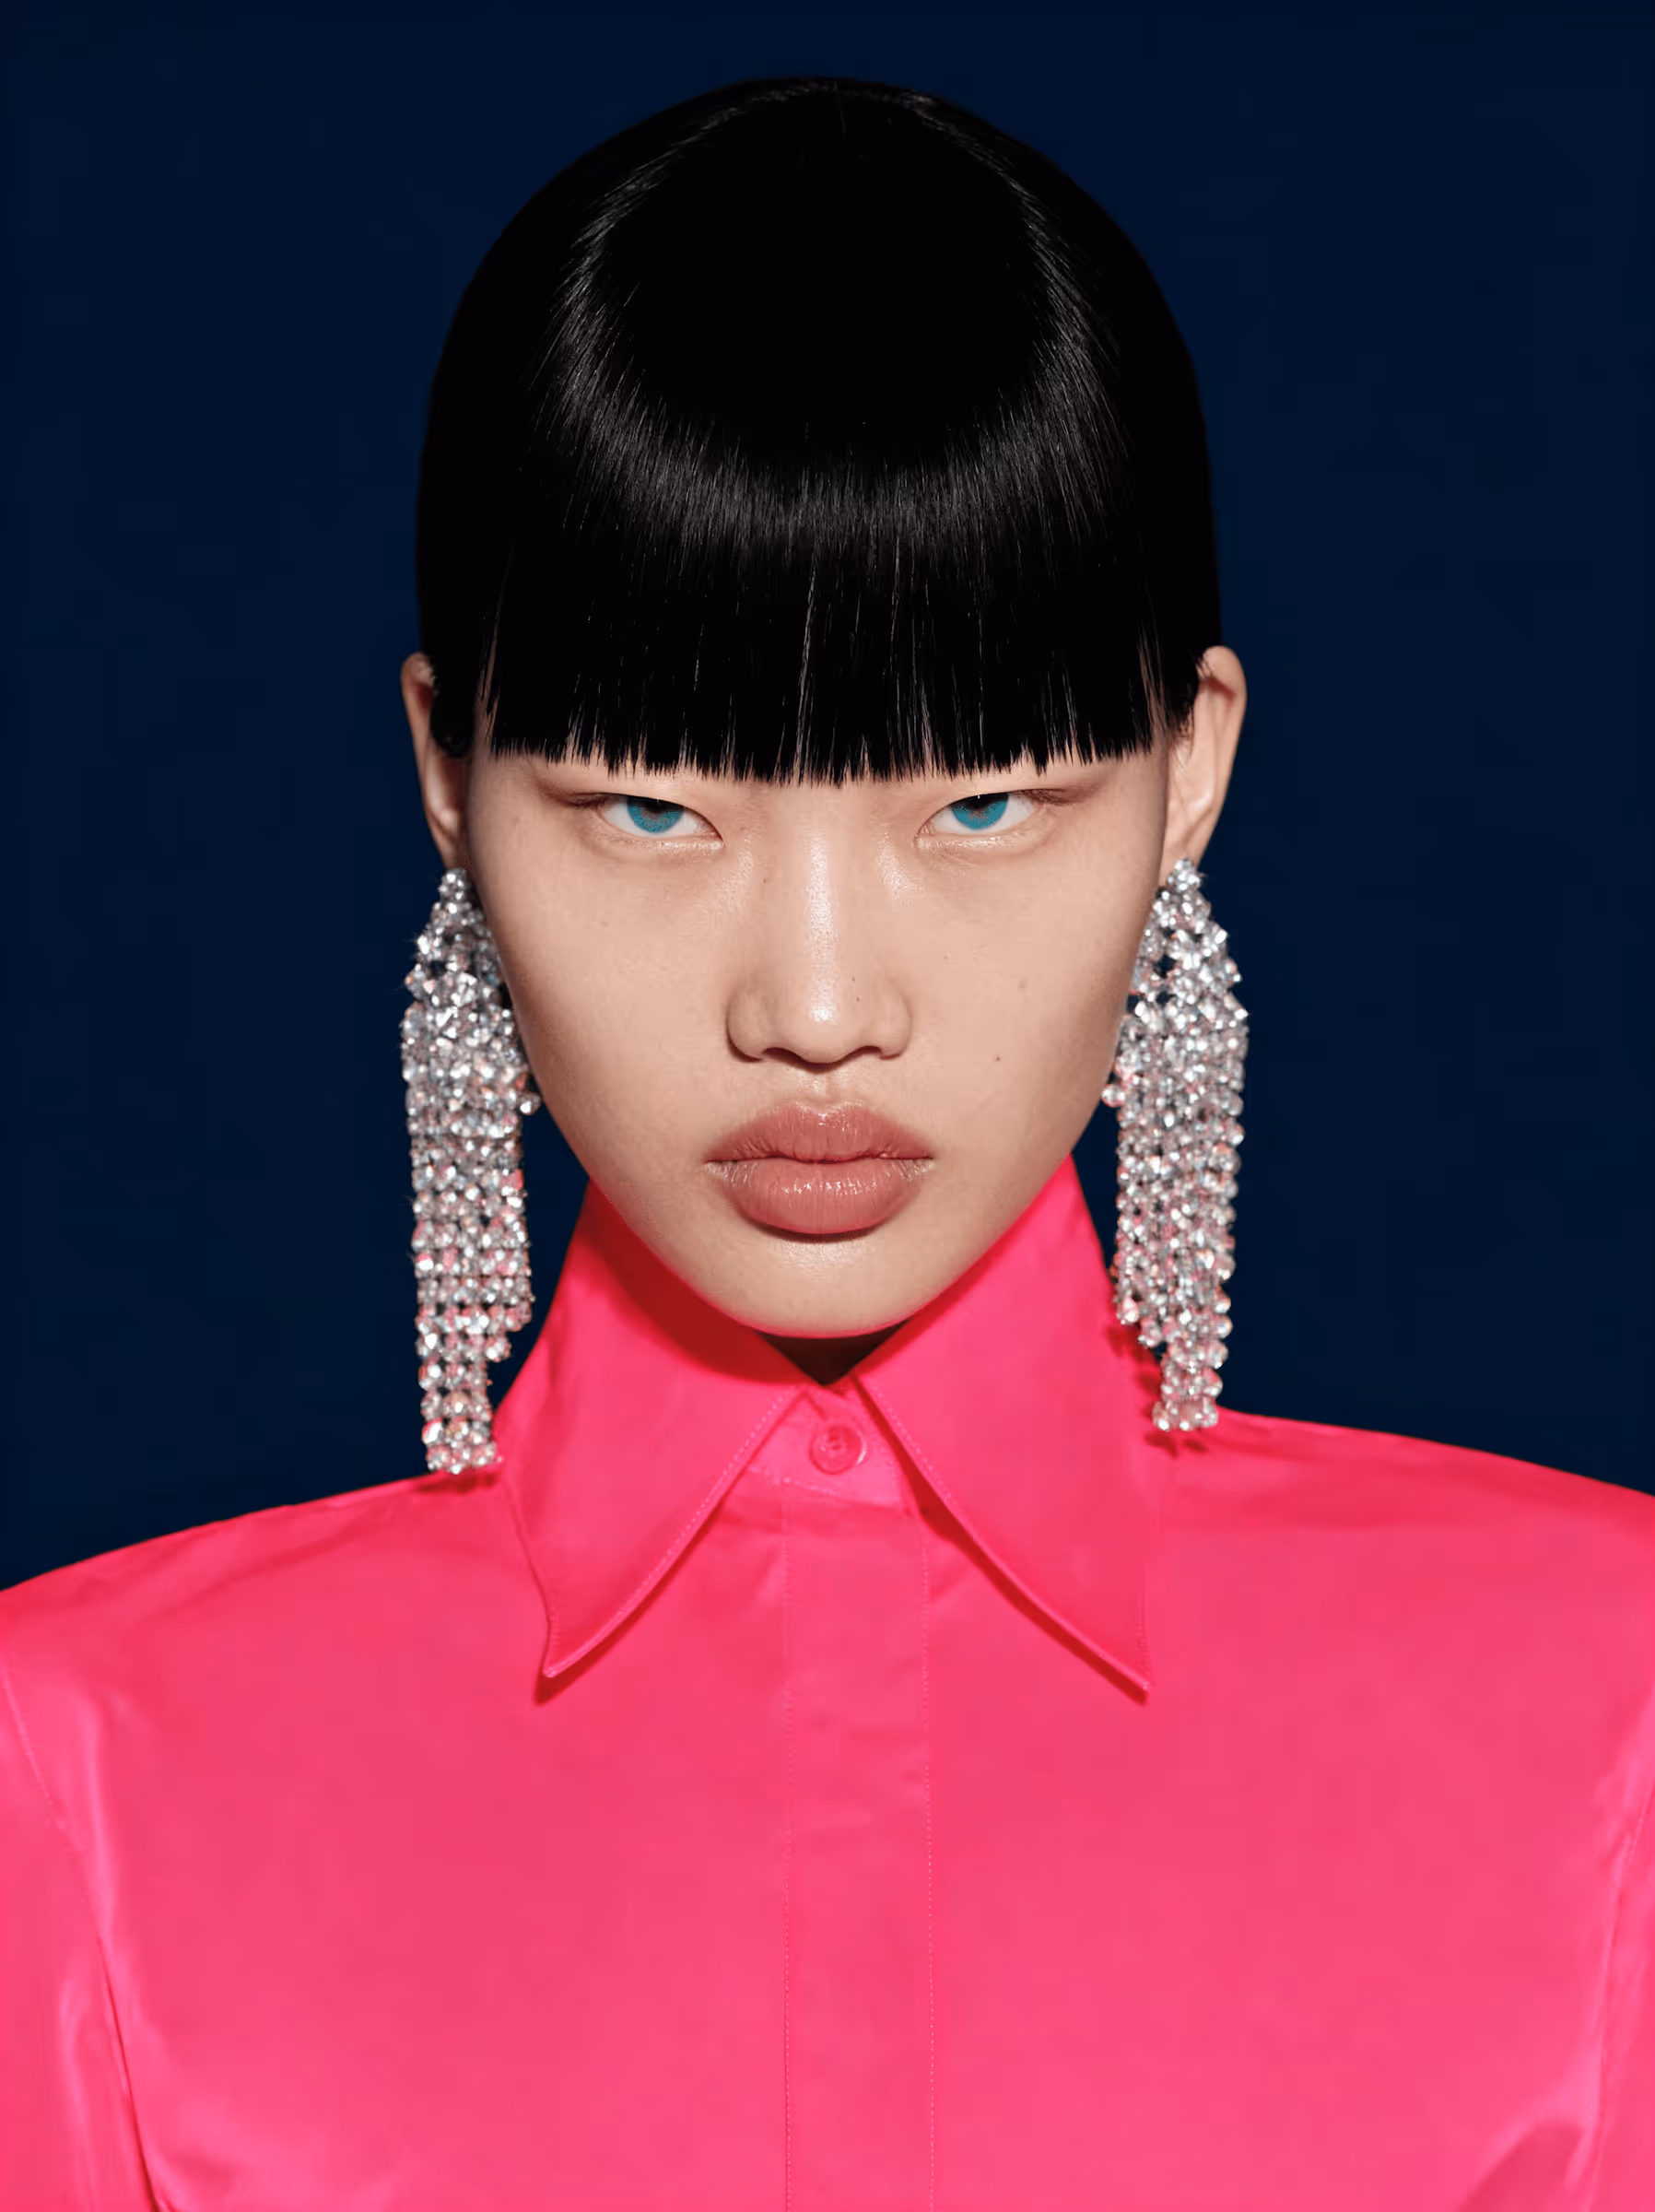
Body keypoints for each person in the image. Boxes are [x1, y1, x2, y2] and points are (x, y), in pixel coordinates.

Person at [2, 75, 1649, 2211]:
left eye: (981, 805)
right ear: (446, 776)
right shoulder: (79, 1775)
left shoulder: (1610, 1719)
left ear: (1189, 770)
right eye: (650, 809)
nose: (811, 1005)